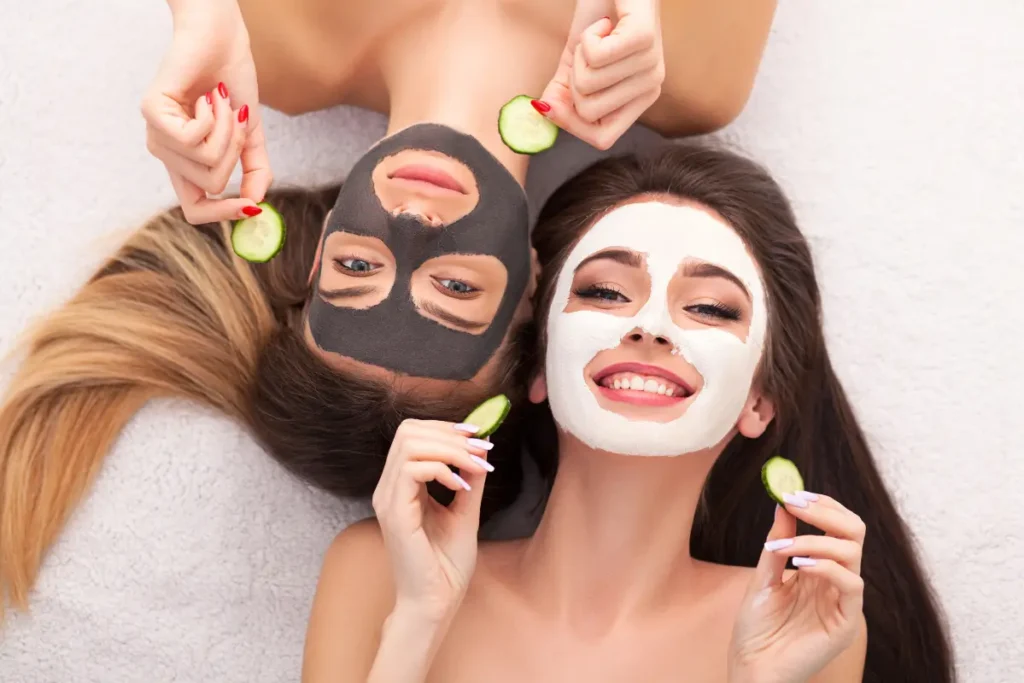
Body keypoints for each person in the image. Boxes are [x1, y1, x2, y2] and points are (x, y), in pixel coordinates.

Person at [0, 0, 777, 618]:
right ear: (534, 294)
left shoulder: (275, 42)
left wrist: (198, 14)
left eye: (359, 267)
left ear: (320, 246)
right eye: (456, 289)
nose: (413, 228)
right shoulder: (691, 70)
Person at [303, 145, 957, 682]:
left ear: (760, 401)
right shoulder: (382, 573)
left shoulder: (806, 627)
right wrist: (419, 618)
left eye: (708, 307)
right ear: (539, 365)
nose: (650, 326)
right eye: (606, 291)